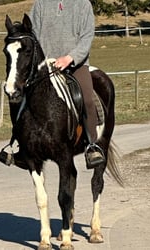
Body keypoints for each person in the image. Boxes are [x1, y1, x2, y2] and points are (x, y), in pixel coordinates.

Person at [29, 0, 105, 168]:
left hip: (75, 64)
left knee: (86, 99)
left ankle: (92, 145)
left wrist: (69, 58)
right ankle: (20, 143)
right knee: (22, 95)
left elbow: (86, 37)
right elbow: (32, 33)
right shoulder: (40, 5)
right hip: (45, 65)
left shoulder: (83, 4)